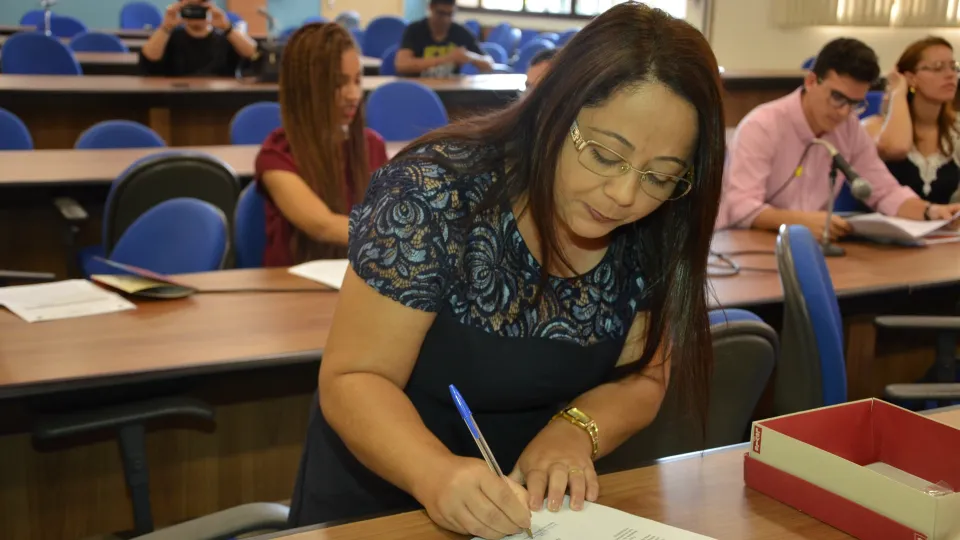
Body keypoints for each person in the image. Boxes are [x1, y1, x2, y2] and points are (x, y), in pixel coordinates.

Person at [288, 3, 726, 539]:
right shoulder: (434, 195)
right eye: (606, 156)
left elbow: (644, 377)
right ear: (553, 111)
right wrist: (434, 471)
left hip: (528, 513)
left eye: (661, 176)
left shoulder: (659, 223)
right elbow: (354, 378)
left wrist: (575, 431)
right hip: (382, 504)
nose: (625, 195)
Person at [718, 38, 960, 239]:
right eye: (838, 98)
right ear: (811, 81)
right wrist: (798, 222)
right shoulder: (762, 126)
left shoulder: (849, 128)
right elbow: (741, 207)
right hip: (753, 245)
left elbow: (884, 191)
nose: (844, 112)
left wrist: (930, 212)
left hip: (812, 247)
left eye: (855, 103)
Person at [254, 23, 388, 266]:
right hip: (292, 291)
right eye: (339, 83)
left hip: (357, 284)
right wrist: (399, 236)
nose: (353, 94)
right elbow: (322, 225)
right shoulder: (276, 156)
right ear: (307, 87)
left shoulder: (372, 145)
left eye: (357, 81)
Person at [862, 37, 960, 205]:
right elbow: (896, 147)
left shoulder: (955, 130)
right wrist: (898, 91)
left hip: (941, 229)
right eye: (938, 68)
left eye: (953, 67)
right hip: (881, 229)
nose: (950, 75)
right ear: (911, 78)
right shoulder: (872, 126)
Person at [140, 0, 258, 77]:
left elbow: (254, 54)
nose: (196, 11)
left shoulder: (226, 37)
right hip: (177, 99)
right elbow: (150, 59)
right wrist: (165, 27)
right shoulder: (170, 36)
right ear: (181, 7)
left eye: (201, 6)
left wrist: (227, 27)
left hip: (219, 100)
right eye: (191, 6)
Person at [395, 0, 494, 77]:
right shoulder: (414, 30)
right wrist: (447, 58)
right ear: (431, 8)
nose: (446, 19)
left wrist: (470, 56)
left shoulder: (461, 32)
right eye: (441, 13)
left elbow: (489, 64)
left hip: (451, 91)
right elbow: (402, 65)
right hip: (419, 88)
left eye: (450, 14)